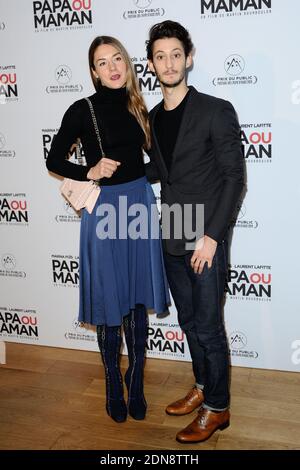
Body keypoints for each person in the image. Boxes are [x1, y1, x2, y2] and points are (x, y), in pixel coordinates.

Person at [46, 35, 170, 423]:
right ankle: (113, 383)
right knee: (109, 299)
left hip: (138, 205)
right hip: (103, 211)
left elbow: (156, 164)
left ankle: (136, 382)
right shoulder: (82, 110)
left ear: (128, 64)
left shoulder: (138, 107)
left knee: (135, 297)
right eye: (103, 62)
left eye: (118, 58)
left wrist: (142, 176)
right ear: (94, 72)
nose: (113, 67)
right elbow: (53, 159)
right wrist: (89, 170)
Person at [145, 21, 245, 442]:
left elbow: (234, 178)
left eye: (175, 54)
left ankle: (218, 409)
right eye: (160, 56)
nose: (168, 63)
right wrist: (104, 172)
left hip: (205, 235)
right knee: (188, 322)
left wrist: (213, 237)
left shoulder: (215, 109)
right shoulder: (150, 117)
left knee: (207, 325)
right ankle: (204, 387)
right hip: (173, 230)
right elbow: (158, 172)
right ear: (151, 64)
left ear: (189, 58)